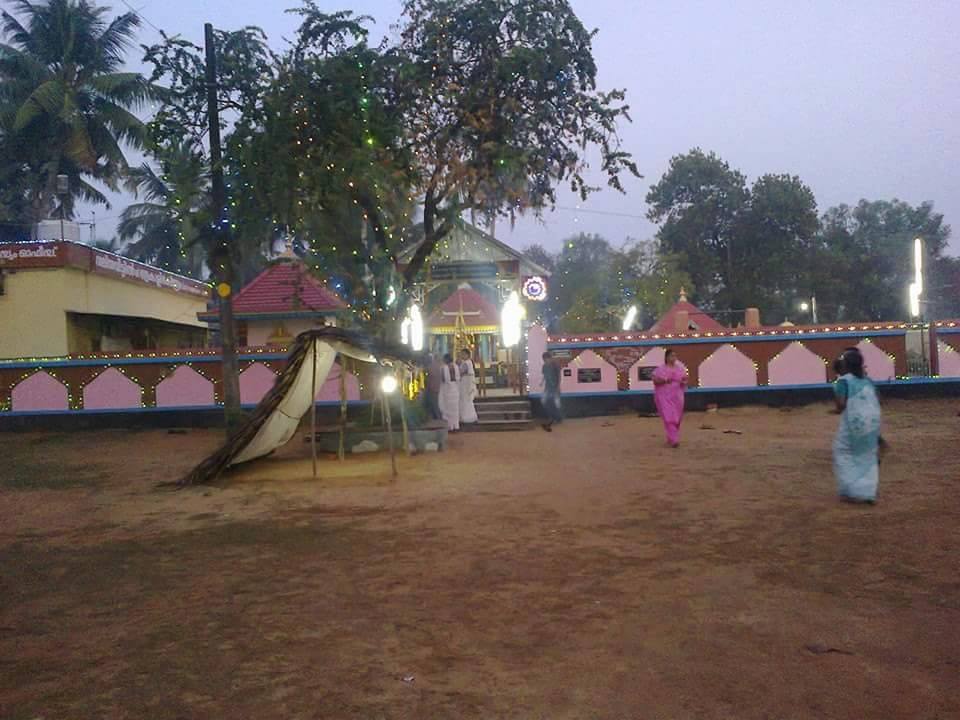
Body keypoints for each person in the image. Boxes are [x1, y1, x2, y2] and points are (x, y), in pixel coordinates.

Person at [832, 348, 883, 504]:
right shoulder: (868, 381)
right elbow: (878, 400)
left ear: (845, 365)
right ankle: (868, 492)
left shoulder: (843, 381)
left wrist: (836, 408)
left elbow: (841, 405)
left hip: (853, 424)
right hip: (872, 423)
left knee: (842, 452)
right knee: (867, 456)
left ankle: (851, 491)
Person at [652, 348, 688, 448]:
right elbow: (655, 380)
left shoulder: (680, 369)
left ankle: (671, 436)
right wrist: (665, 380)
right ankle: (674, 440)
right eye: (671, 356)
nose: (674, 358)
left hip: (677, 397)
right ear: (666, 357)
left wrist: (683, 382)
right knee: (669, 418)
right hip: (664, 397)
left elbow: (685, 380)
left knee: (677, 419)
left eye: (675, 356)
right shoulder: (660, 369)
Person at [438, 353, 461, 431]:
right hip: (455, 388)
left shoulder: (443, 367)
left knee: (447, 408)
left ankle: (450, 426)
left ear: (445, 360)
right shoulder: (456, 366)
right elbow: (458, 378)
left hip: (446, 389)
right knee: (455, 408)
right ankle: (456, 426)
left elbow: (443, 379)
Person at [541, 351, 563, 432]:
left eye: (546, 359)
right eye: (544, 360)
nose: (546, 361)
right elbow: (544, 375)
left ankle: (558, 418)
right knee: (543, 401)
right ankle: (551, 417)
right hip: (547, 387)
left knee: (557, 404)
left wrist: (558, 387)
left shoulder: (555, 365)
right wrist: (541, 382)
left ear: (549, 358)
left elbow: (559, 376)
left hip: (555, 387)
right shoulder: (544, 366)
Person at [458, 348, 479, 424]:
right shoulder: (467, 362)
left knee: (466, 400)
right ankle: (467, 417)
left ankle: (468, 417)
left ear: (467, 355)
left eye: (463, 354)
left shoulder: (466, 363)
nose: (461, 355)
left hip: (466, 384)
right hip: (466, 383)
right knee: (466, 400)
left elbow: (461, 372)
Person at [424, 354, 443, 421]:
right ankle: (437, 417)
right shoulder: (442, 366)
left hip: (432, 387)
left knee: (434, 404)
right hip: (440, 387)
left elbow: (426, 374)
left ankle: (437, 418)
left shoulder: (431, 366)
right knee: (436, 404)